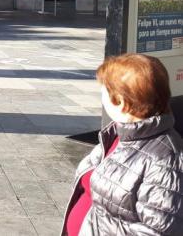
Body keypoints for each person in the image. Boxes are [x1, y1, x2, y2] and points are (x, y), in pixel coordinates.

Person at [62, 54, 183, 235]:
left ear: (121, 102)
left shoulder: (166, 160)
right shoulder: (118, 134)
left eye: (103, 91)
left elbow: (159, 231)